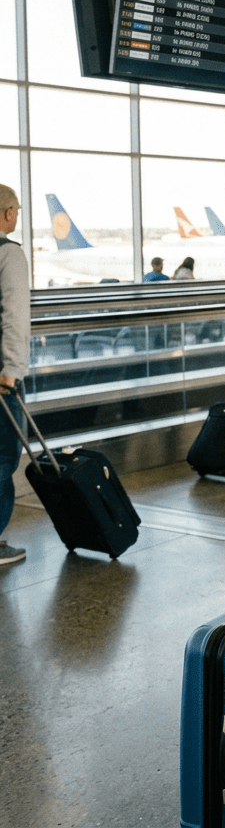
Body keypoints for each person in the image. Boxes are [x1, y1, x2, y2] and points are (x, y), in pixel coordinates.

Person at [0, 185, 29, 566]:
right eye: (17, 210)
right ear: (7, 213)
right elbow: (14, 318)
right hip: (0, 381)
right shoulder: (9, 255)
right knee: (3, 456)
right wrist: (10, 371)